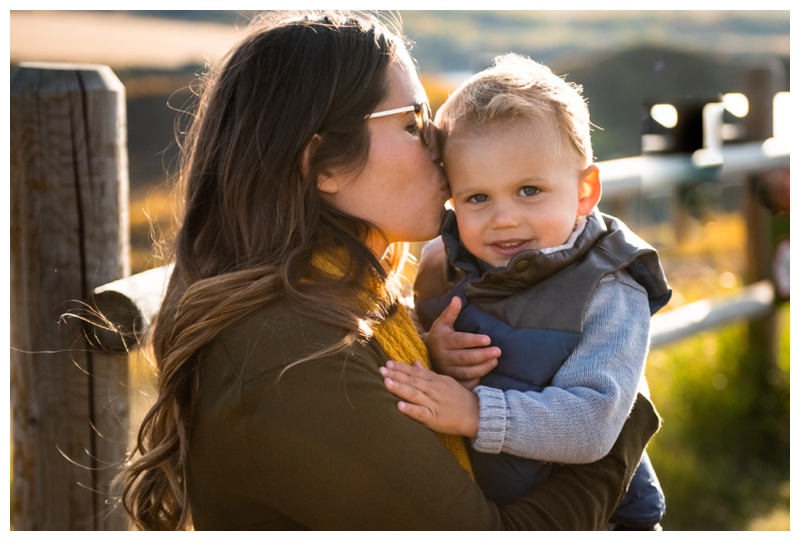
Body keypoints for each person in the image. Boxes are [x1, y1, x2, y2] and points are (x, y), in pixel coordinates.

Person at [115, 11, 661, 530]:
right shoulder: (294, 355)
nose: (439, 146)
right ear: (324, 164)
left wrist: (435, 357)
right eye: (413, 123)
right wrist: (623, 422)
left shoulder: (353, 300)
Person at [380, 53, 672, 530]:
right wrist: (434, 350)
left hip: (602, 518)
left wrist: (476, 412)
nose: (505, 218)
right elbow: (422, 354)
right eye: (478, 198)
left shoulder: (607, 289)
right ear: (451, 197)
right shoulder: (444, 264)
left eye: (529, 190)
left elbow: (594, 424)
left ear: (584, 191)